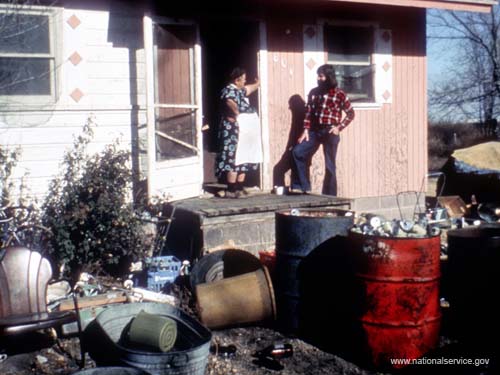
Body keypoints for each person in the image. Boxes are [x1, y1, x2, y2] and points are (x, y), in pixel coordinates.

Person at [291, 64, 355, 196]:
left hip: (330, 132)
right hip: (315, 131)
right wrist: (306, 130)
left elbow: (351, 113)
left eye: (321, 76)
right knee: (297, 152)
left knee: (330, 166)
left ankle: (329, 195)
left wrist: (339, 127)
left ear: (328, 77)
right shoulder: (314, 93)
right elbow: (308, 113)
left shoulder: (339, 94)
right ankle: (302, 187)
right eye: (318, 76)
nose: (318, 78)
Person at [216, 67, 260, 198]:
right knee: (233, 157)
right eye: (243, 80)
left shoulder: (239, 90)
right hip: (232, 129)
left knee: (244, 155)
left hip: (245, 129)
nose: (245, 82)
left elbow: (248, 89)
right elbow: (230, 102)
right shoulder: (228, 90)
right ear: (236, 80)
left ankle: (239, 188)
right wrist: (238, 114)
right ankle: (231, 189)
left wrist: (258, 84)